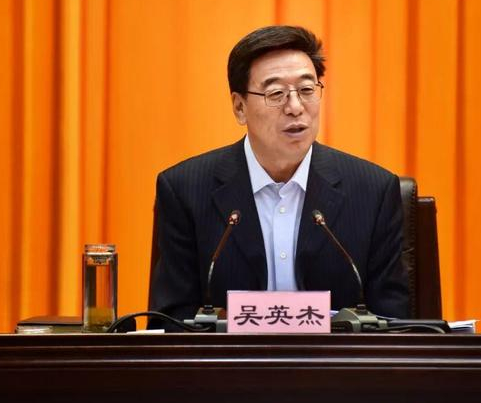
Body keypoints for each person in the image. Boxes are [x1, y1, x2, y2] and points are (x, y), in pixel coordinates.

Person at [149, 26, 409, 322]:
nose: (295, 107)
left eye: (307, 90)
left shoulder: (373, 192)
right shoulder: (185, 190)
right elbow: (171, 322)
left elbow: (394, 325)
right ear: (239, 107)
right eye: (276, 94)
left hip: (336, 355)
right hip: (230, 354)